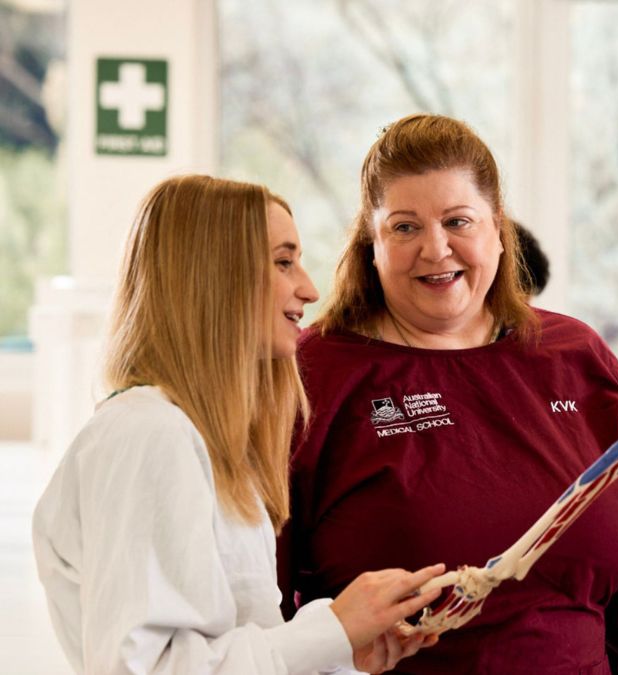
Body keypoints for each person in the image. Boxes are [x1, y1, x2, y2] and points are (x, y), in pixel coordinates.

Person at [280, 114, 618, 674]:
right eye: (405, 228)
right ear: (371, 242)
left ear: (498, 229)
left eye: (458, 221)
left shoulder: (576, 357)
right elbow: (261, 604)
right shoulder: (312, 374)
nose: (436, 249)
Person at [32, 175, 444, 675]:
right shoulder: (149, 434)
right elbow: (145, 668)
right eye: (283, 262)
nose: (309, 289)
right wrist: (333, 629)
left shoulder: (204, 443)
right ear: (214, 275)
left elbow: (234, 650)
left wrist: (339, 649)